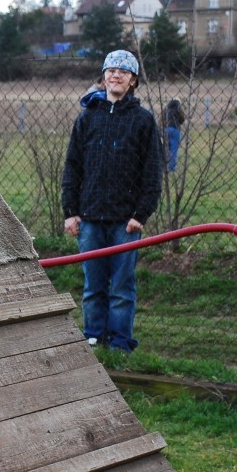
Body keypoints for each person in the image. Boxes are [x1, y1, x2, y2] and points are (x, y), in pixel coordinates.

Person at [61, 50, 163, 352]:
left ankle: (120, 342)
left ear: (132, 81)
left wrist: (140, 214)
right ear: (103, 77)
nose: (115, 75)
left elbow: (152, 173)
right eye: (110, 70)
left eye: (123, 71)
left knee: (121, 286)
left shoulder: (142, 121)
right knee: (93, 286)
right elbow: (73, 167)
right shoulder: (87, 118)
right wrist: (71, 212)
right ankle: (93, 335)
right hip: (90, 218)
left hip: (125, 221)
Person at [162, 98, 185, 172]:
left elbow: (161, 119)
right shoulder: (179, 108)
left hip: (166, 130)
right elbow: (182, 118)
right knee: (174, 150)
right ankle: (172, 167)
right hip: (175, 129)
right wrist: (178, 122)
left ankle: (164, 166)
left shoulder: (166, 109)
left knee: (166, 149)